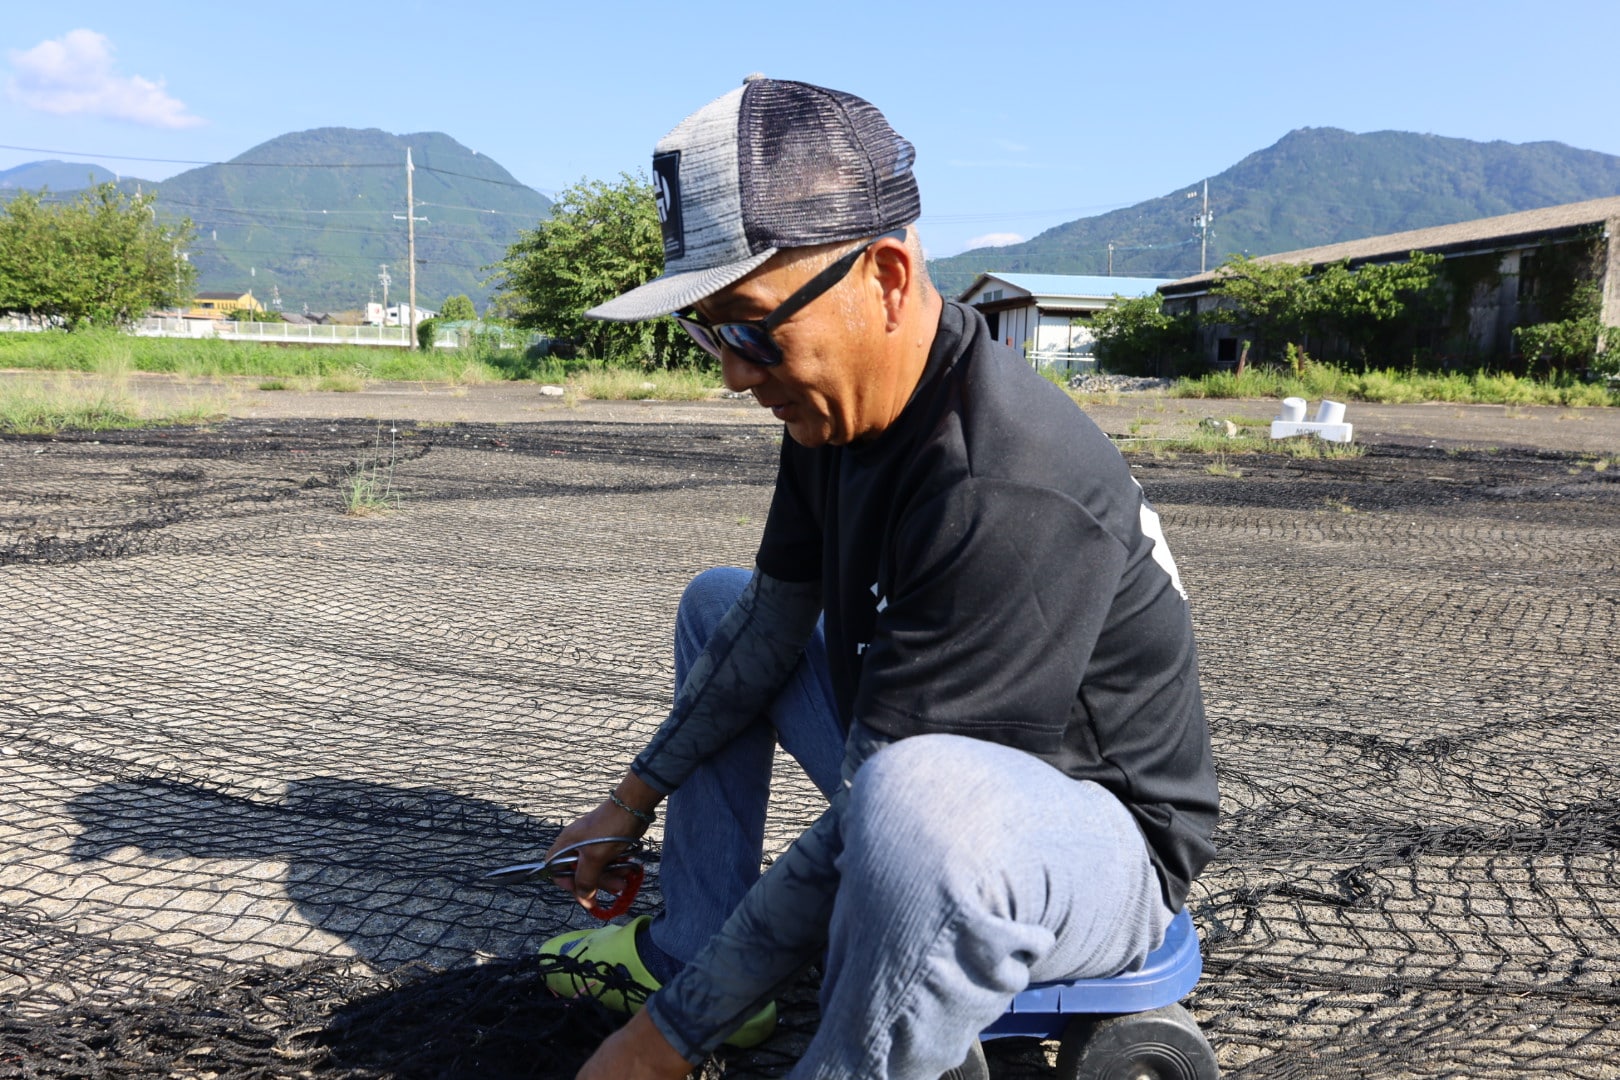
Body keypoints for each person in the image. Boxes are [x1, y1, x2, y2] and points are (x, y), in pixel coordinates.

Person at [537, 75, 1219, 1080]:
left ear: (888, 278)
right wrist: (630, 801)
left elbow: (883, 806)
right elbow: (770, 626)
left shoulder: (1004, 481)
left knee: (913, 804)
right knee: (721, 607)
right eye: (708, 330)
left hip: (1097, 842)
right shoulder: (836, 411)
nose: (733, 372)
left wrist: (658, 1044)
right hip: (923, 773)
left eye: (750, 327)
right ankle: (691, 944)